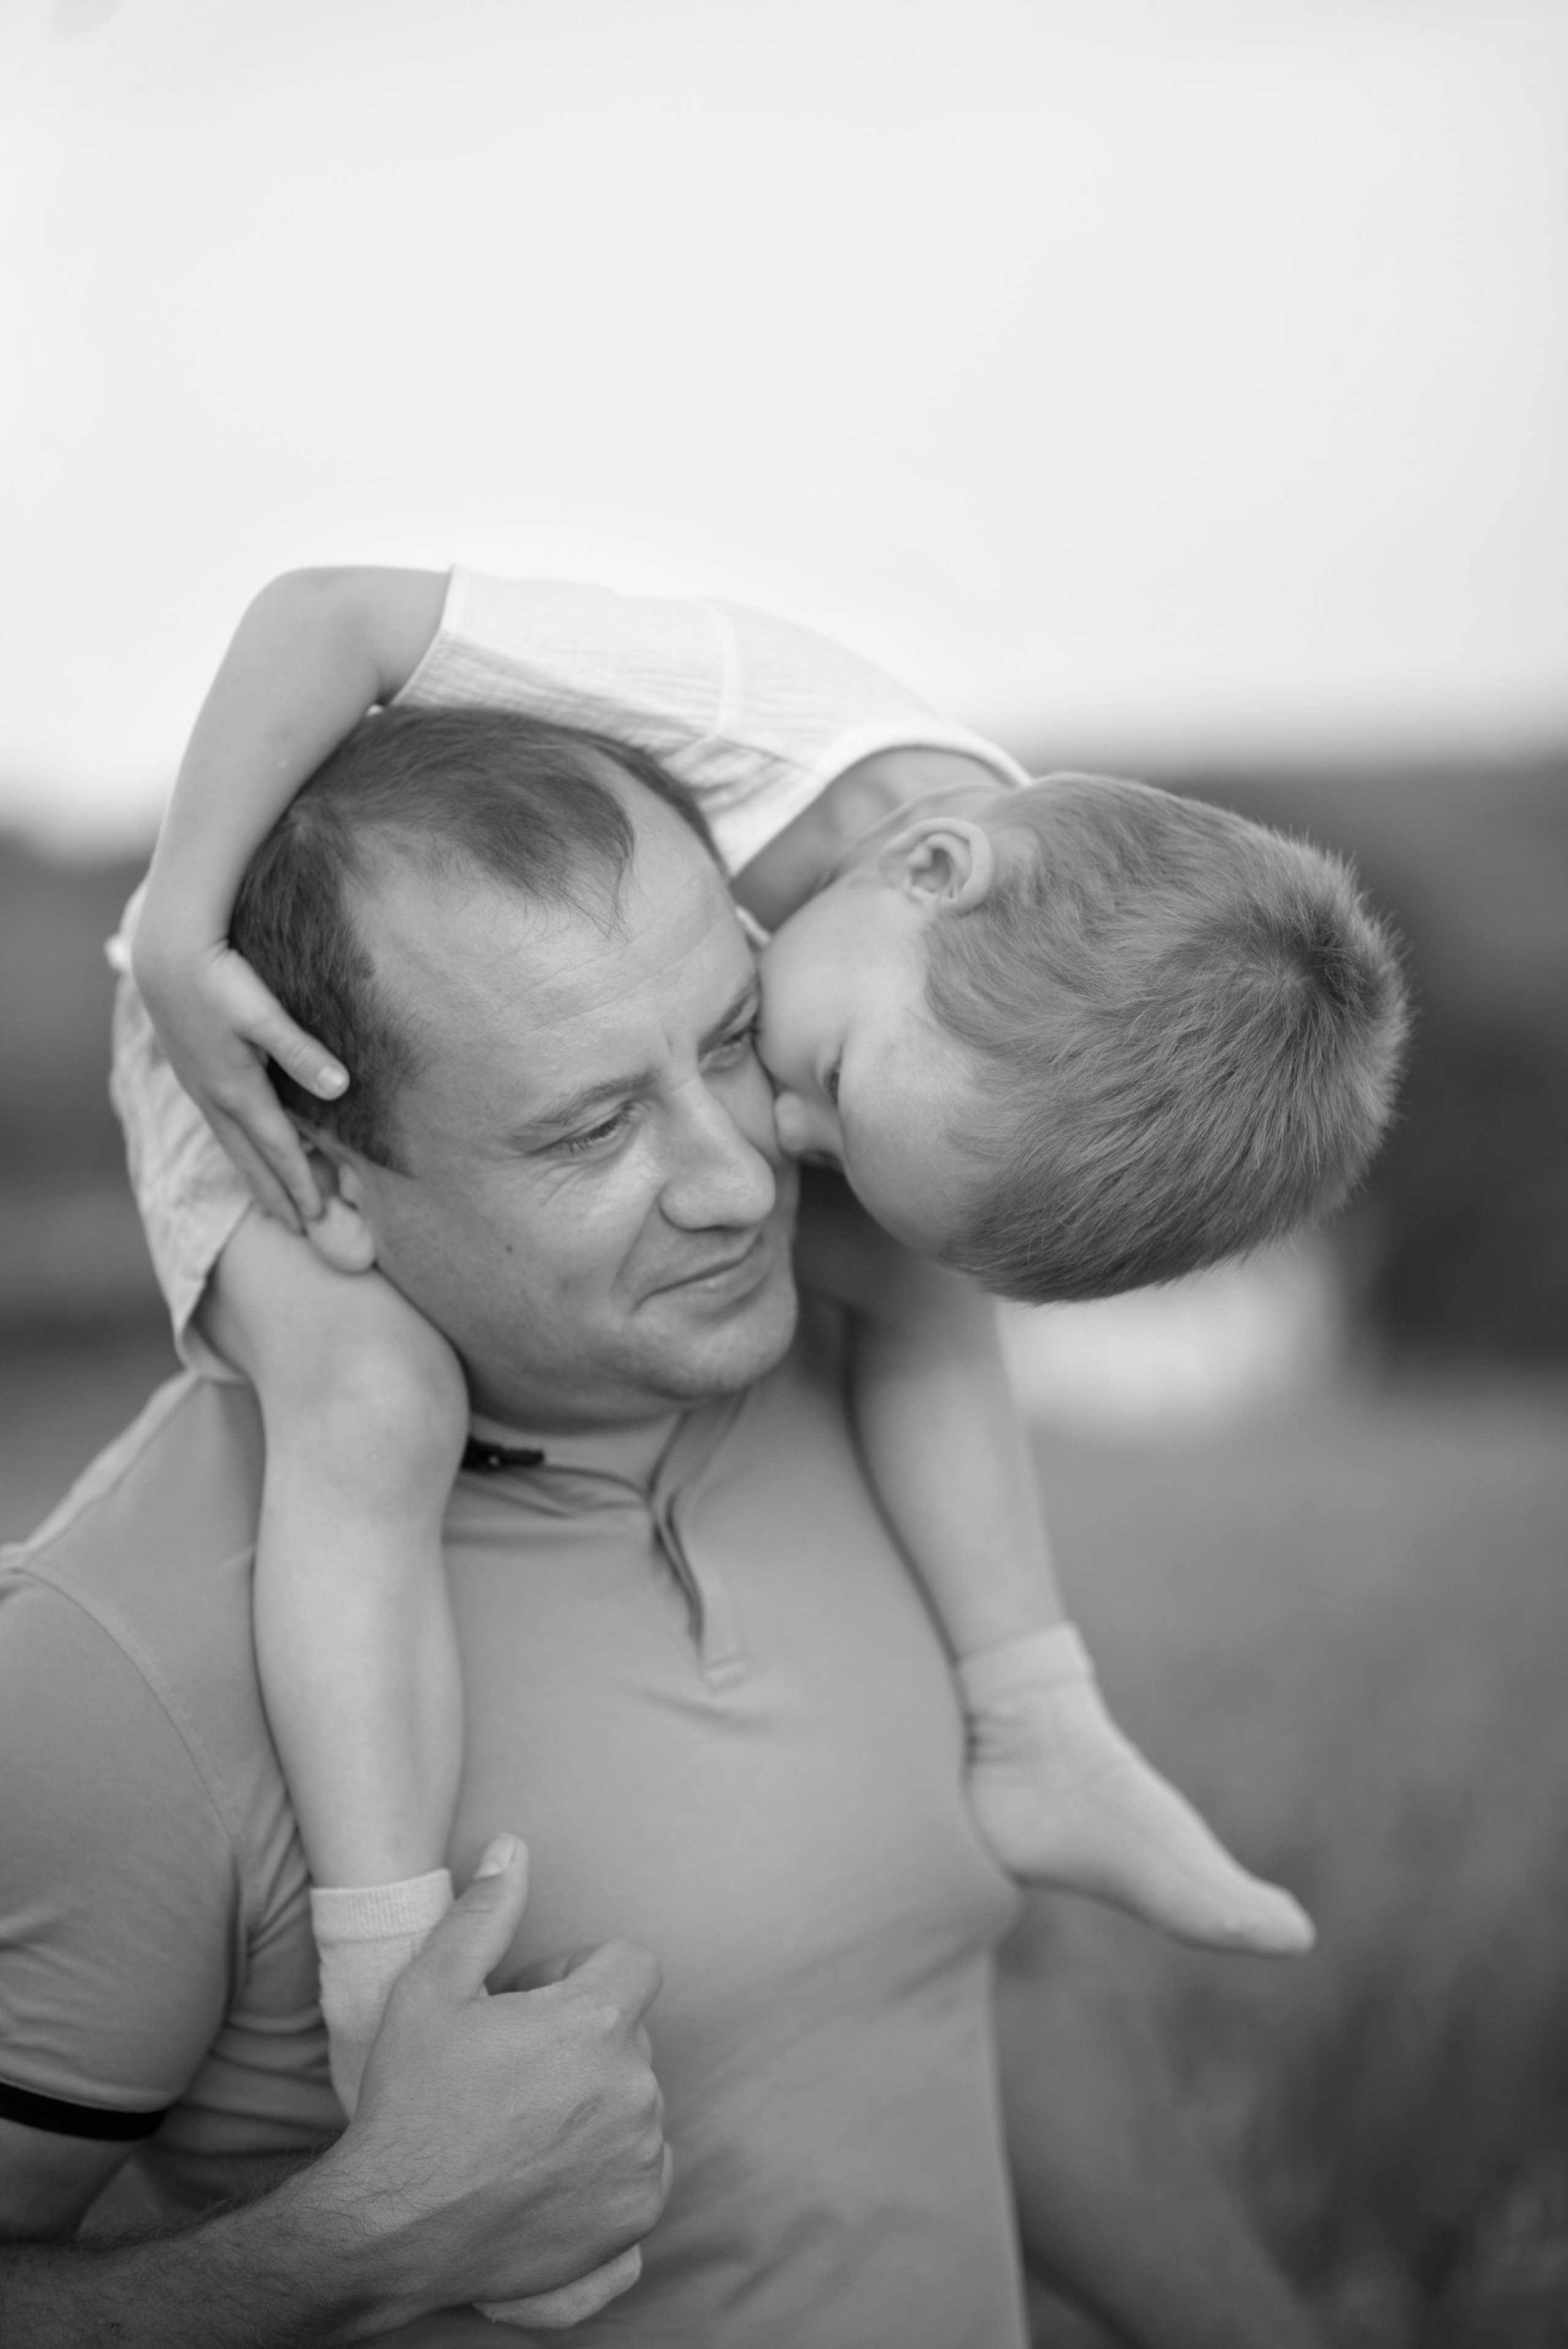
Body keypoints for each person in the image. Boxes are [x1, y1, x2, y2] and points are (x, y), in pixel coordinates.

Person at [0, 711, 1332, 2346]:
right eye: (590, 1128)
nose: (744, 1176)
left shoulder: (865, 1395)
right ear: (317, 1166)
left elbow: (972, 1975)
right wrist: (356, 2239)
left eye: (723, 1042)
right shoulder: (105, 1664)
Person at [119, 569, 1404, 2105]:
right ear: (927, 864)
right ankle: (385, 1987)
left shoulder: (977, 977)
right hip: (234, 1027)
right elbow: (324, 617)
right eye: (828, 1089)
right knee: (373, 1401)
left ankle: (1040, 1727)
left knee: (907, 1290)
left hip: (544, 1030)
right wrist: (189, 927)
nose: (777, 1147)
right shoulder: (749, 705)